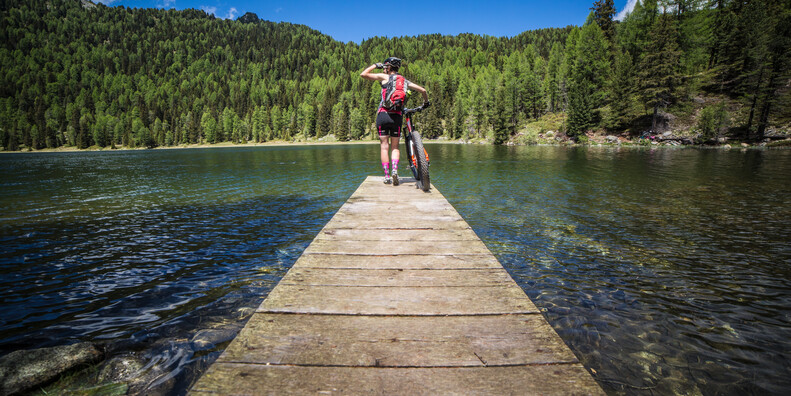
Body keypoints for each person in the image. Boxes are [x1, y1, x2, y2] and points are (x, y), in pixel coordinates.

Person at [360, 57, 429, 185]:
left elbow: (363, 74)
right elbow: (423, 90)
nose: (385, 68)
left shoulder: (384, 77)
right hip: (396, 117)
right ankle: (395, 171)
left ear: (389, 67)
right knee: (395, 147)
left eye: (386, 66)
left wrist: (376, 65)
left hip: (383, 115)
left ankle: (387, 176)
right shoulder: (404, 81)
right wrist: (426, 103)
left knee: (384, 146)